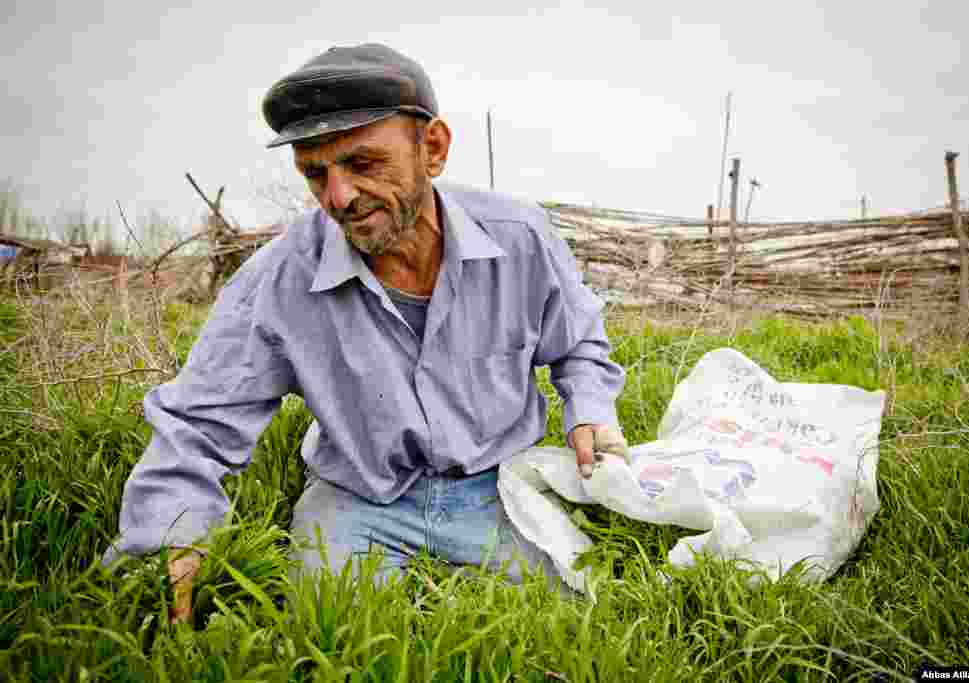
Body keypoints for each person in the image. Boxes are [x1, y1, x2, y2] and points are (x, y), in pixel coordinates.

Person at [102, 43, 628, 624]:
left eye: (362, 164)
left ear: (432, 148)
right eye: (314, 173)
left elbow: (578, 342)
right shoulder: (281, 278)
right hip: (360, 499)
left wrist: (589, 410)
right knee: (325, 628)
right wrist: (169, 538)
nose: (338, 198)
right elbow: (199, 422)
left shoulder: (520, 237)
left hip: (501, 487)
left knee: (584, 610)